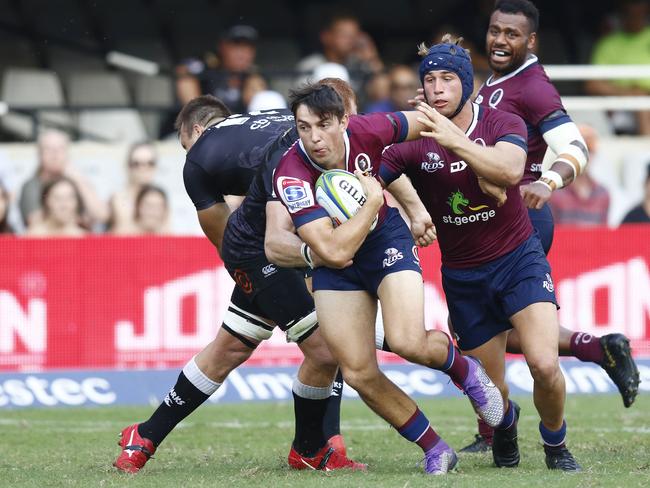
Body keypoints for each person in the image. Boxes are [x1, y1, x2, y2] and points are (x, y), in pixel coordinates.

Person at [113, 88, 364, 474]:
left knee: (230, 348)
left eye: (184, 145)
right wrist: (280, 277)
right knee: (327, 348)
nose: (187, 153)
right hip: (265, 248)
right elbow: (244, 236)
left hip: (262, 243)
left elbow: (223, 236)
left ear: (195, 130)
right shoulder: (290, 119)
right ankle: (313, 449)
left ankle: (144, 436)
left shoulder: (198, 159)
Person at [274, 83, 504, 475]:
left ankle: (465, 371)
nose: (313, 138)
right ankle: (435, 448)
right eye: (303, 127)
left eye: (323, 125)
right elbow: (332, 252)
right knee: (359, 372)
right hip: (338, 262)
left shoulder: (371, 129)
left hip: (385, 242)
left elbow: (427, 122)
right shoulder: (290, 175)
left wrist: (476, 163)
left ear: (344, 121)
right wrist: (373, 202)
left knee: (406, 341)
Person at [381, 35, 582, 471]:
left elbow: (510, 169)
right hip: (464, 275)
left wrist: (452, 139)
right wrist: (414, 209)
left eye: (447, 79)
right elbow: (375, 168)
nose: (436, 88)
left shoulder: (500, 120)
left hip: (518, 259)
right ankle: (505, 426)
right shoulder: (412, 136)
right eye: (429, 79)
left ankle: (556, 445)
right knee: (492, 390)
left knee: (545, 364)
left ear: (467, 84)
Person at [462, 0, 640, 454]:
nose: (501, 40)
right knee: (488, 332)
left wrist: (549, 179)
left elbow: (574, 145)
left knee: (486, 333)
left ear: (531, 41)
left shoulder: (534, 87)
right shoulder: (501, 79)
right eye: (495, 31)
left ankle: (499, 431)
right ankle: (596, 348)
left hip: (521, 217)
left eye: (512, 34)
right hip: (491, 218)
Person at [18, 129, 108, 228]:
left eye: (60, 149)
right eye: (48, 149)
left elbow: (102, 215)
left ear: (67, 153)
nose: (55, 154)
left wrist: (79, 179)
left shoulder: (78, 181)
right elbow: (34, 223)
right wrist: (78, 219)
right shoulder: (31, 185)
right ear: (39, 154)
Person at [585, 0, 650, 135]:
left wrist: (643, 92)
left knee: (642, 100)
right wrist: (628, 93)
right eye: (630, 10)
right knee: (640, 100)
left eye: (639, 8)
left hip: (646, 98)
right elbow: (593, 84)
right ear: (622, 12)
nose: (635, 13)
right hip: (620, 104)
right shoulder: (608, 44)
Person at [177, 25, 259, 113]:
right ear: (222, 46)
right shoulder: (207, 65)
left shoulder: (251, 75)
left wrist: (252, 79)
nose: (242, 54)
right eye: (236, 46)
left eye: (248, 48)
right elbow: (183, 70)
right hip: (202, 122)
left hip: (237, 124)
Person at [548, 125, 610, 226]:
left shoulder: (602, 194)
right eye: (579, 152)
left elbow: (603, 235)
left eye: (588, 151)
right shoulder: (554, 193)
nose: (583, 158)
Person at [108, 142, 160, 234]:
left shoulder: (160, 198)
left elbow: (166, 234)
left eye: (150, 163)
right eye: (136, 164)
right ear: (128, 166)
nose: (143, 168)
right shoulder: (118, 199)